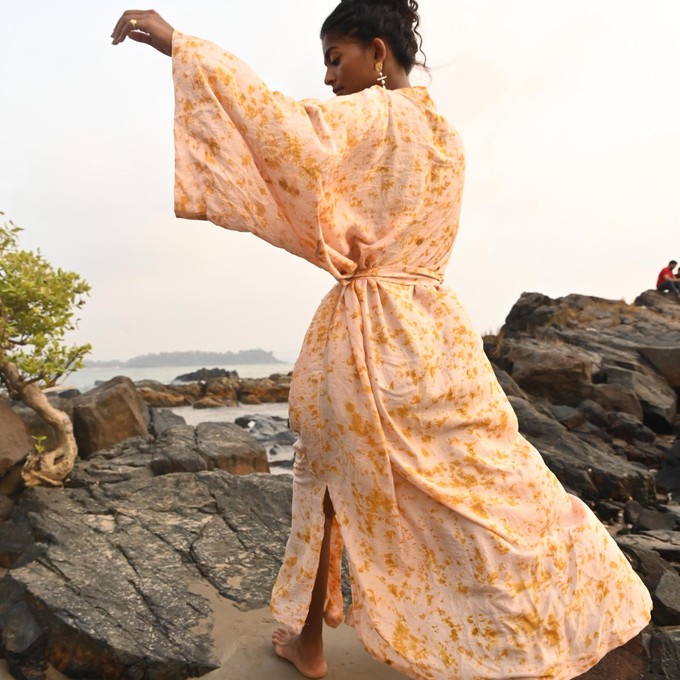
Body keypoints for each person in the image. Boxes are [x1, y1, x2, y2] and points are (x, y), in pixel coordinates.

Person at [111, 3, 652, 679]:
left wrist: (183, 47)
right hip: (438, 339)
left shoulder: (374, 117)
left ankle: (310, 643)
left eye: (335, 59)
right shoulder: (447, 138)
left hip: (370, 338)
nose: (329, 77)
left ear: (376, 51)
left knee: (324, 483)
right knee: (489, 486)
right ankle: (561, 612)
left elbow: (281, 127)